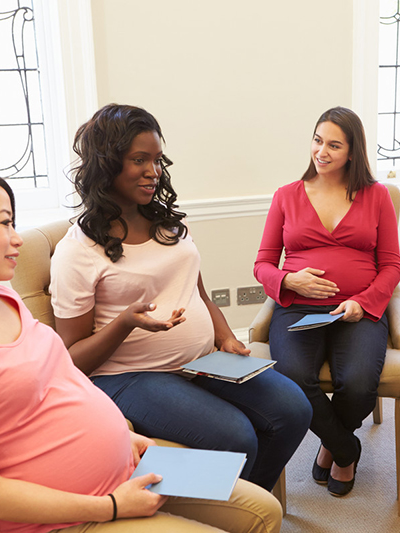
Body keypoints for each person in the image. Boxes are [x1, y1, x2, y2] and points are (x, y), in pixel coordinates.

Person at [0, 162, 282, 533]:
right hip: (72, 515)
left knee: (264, 510)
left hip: (127, 468)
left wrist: (123, 438)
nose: (17, 238)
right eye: (5, 223)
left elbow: (60, 383)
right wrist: (113, 505)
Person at [49, 104, 311, 493]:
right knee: (236, 436)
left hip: (201, 360)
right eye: (139, 160)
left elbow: (199, 293)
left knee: (294, 408)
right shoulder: (78, 251)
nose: (153, 171)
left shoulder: (170, 226)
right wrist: (125, 323)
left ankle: (248, 510)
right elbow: (70, 360)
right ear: (107, 164)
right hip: (128, 377)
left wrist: (225, 336)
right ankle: (231, 509)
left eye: (157, 160)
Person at [254, 106, 400, 497]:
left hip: (358, 310)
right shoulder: (287, 196)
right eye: (318, 141)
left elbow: (390, 266)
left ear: (352, 152)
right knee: (290, 379)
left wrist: (364, 302)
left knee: (356, 383)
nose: (322, 151)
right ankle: (345, 448)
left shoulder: (377, 196)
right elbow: (263, 265)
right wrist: (290, 280)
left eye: (334, 145)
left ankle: (332, 443)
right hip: (299, 308)